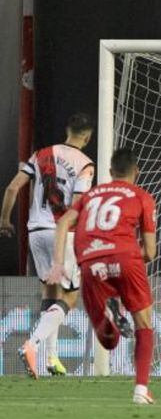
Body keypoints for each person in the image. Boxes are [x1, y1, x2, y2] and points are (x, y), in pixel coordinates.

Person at [49, 147, 156, 404]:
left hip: (90, 262)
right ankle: (141, 390)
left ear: (110, 172)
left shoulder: (90, 195)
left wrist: (58, 263)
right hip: (126, 257)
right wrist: (125, 259)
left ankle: (110, 314)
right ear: (136, 172)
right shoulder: (143, 196)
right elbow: (151, 252)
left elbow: (63, 223)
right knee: (144, 323)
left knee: (108, 343)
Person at [1, 113, 96, 378]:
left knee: (49, 294)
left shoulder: (40, 154)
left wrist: (4, 220)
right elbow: (76, 207)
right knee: (70, 297)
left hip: (35, 232)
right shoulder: (85, 164)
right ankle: (32, 345)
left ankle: (49, 359)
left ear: (67, 131)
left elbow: (12, 188)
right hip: (61, 234)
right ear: (87, 138)